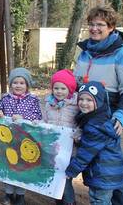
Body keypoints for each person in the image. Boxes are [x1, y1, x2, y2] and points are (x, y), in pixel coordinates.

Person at [74, 6, 123, 137]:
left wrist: (121, 116)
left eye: (100, 25)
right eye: (91, 24)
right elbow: (76, 84)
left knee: (105, 156)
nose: (94, 28)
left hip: (106, 117)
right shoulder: (84, 52)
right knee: (80, 155)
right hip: (81, 114)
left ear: (111, 27)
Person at [66, 81, 123, 205]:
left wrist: (71, 171)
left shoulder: (94, 126)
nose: (84, 103)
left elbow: (85, 153)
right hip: (115, 170)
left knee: (100, 200)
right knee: (120, 199)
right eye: (81, 99)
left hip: (100, 174)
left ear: (99, 101)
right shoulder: (105, 115)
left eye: (89, 100)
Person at [0, 67, 42, 205]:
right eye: (15, 82)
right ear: (11, 84)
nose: (18, 86)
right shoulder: (5, 98)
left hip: (24, 139)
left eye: (22, 83)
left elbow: (38, 116)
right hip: (8, 139)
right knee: (9, 164)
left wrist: (23, 117)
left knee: (22, 165)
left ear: (27, 85)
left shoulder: (33, 100)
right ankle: (8, 194)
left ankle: (20, 194)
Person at [42, 69, 79, 205]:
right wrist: (39, 126)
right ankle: (59, 201)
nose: (59, 91)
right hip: (53, 149)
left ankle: (69, 202)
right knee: (56, 176)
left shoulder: (76, 105)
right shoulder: (48, 104)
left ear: (70, 89)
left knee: (65, 177)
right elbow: (44, 121)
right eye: (56, 88)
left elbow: (81, 123)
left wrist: (77, 134)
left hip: (69, 150)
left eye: (63, 88)